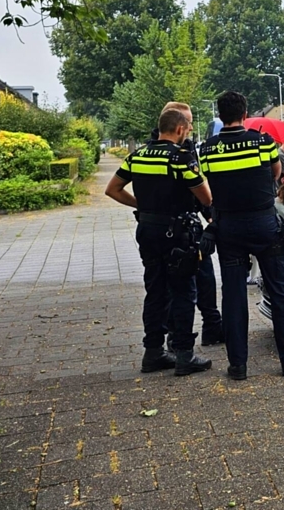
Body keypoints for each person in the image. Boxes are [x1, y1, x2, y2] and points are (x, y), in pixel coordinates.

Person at [198, 91, 284, 381]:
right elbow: (275, 173)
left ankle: (238, 366)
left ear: (220, 116)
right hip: (265, 225)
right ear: (245, 115)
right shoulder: (264, 142)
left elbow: (210, 181)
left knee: (233, 296)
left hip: (228, 228)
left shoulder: (207, 149)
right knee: (280, 291)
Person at [104, 106, 214, 376]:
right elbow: (206, 198)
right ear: (178, 129)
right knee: (183, 292)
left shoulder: (137, 155)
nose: (188, 132)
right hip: (178, 234)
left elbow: (112, 189)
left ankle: (152, 352)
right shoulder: (180, 158)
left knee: (155, 291)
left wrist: (142, 206)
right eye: (187, 128)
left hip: (148, 230)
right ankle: (184, 355)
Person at [151, 103, 223, 349]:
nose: (191, 127)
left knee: (205, 275)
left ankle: (211, 324)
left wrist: (210, 217)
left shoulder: (188, 147)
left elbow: (197, 187)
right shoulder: (163, 150)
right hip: (172, 228)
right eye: (188, 122)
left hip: (189, 222)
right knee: (176, 287)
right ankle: (176, 338)